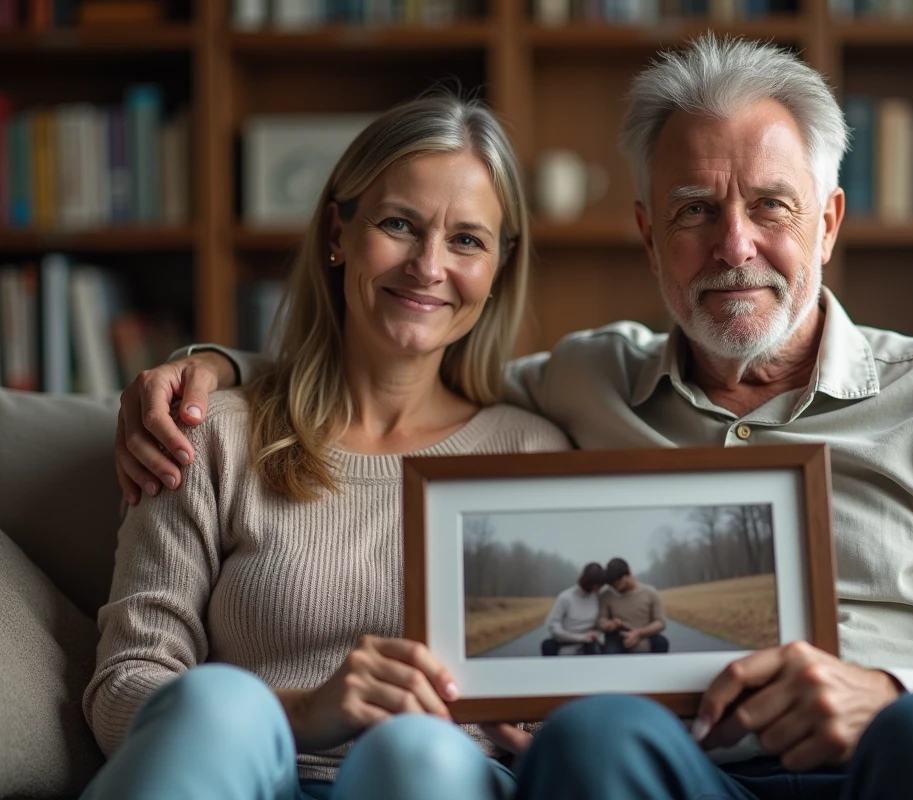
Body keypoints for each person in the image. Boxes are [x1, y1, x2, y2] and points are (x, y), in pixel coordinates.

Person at [113, 35, 913, 800]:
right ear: (648, 233)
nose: (733, 245)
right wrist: (213, 372)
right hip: (684, 772)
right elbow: (404, 353)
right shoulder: (580, 390)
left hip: (894, 766)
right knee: (590, 739)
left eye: (771, 206)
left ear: (828, 220)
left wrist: (894, 691)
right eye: (693, 208)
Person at [81, 94, 574, 800]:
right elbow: (125, 687)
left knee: (416, 754)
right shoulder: (209, 434)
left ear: (499, 266)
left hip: (436, 781)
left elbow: (564, 696)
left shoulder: (533, 455)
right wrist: (301, 712)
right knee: (219, 704)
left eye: (467, 240)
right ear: (337, 231)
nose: (429, 266)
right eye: (400, 224)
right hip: (240, 776)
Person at [597, 557, 669, 654]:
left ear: (628, 574)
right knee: (610, 650)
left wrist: (639, 633)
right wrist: (609, 625)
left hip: (645, 634)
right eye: (612, 586)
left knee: (662, 642)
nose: (616, 588)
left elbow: (660, 622)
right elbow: (602, 619)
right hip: (618, 636)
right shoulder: (606, 595)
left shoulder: (650, 593)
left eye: (618, 583)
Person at [541, 562, 606, 656]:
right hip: (566, 642)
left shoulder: (597, 597)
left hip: (589, 645)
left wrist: (598, 634)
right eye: (597, 586)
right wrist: (582, 638)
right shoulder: (565, 598)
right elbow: (553, 626)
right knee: (547, 645)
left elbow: (600, 624)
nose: (598, 589)